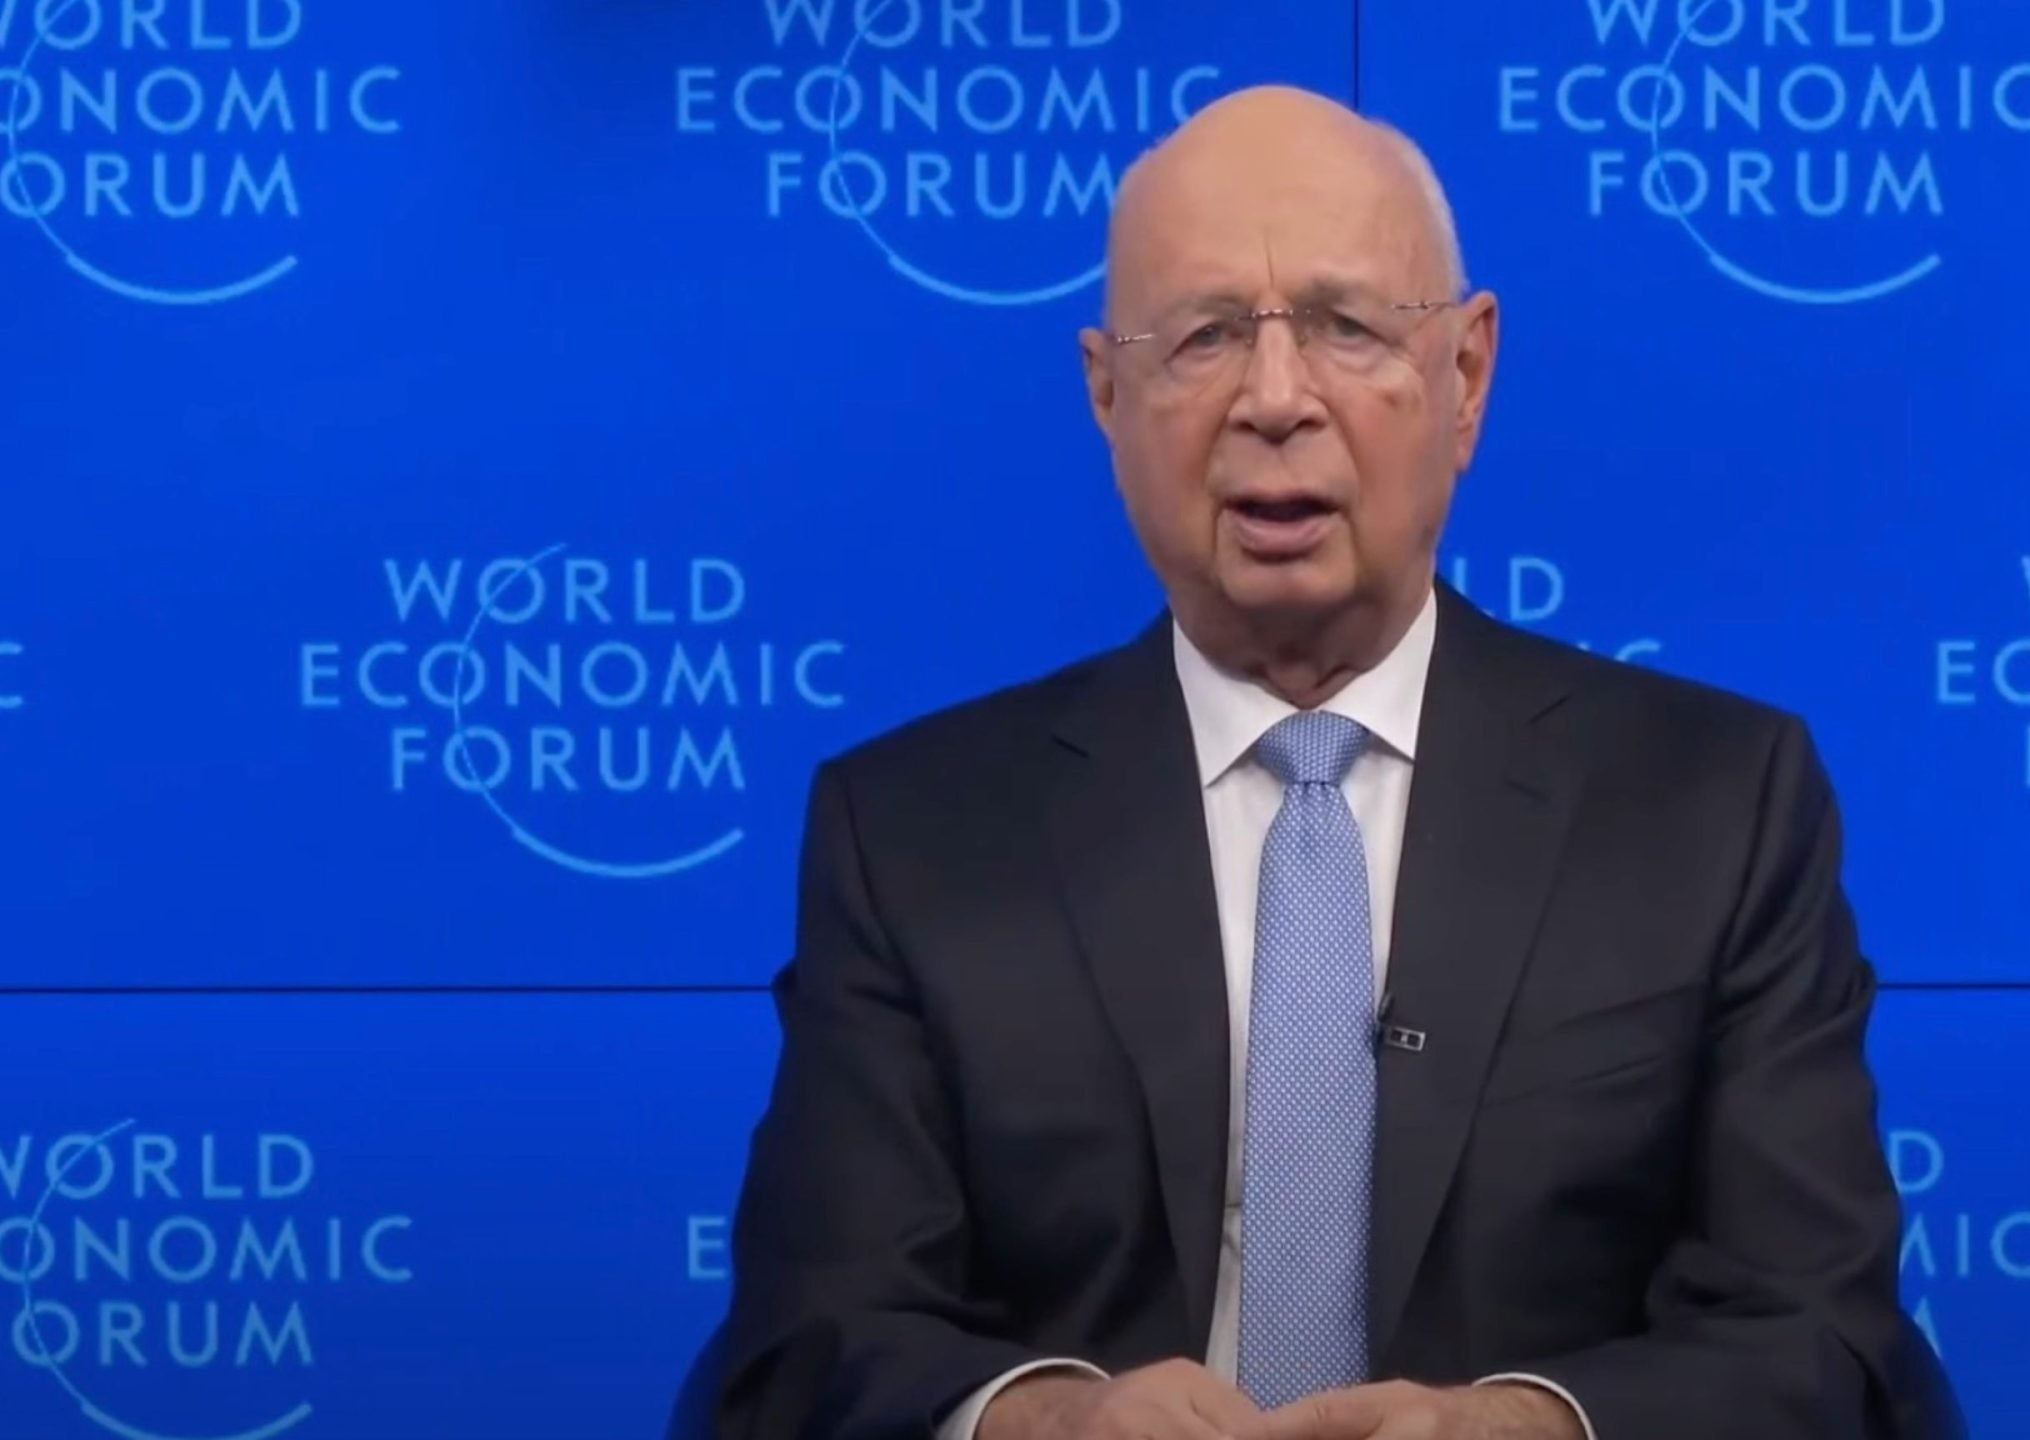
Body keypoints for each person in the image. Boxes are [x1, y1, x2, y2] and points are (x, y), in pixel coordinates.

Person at [713, 85, 1963, 1440]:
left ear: (1467, 376)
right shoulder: (912, 837)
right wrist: (1042, 1422)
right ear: (1106, 394)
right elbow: (802, 1352)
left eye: (1345, 327)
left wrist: (1538, 1428)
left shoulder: (1715, 807)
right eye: (1199, 339)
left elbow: (1828, 1346)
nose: (1273, 400)